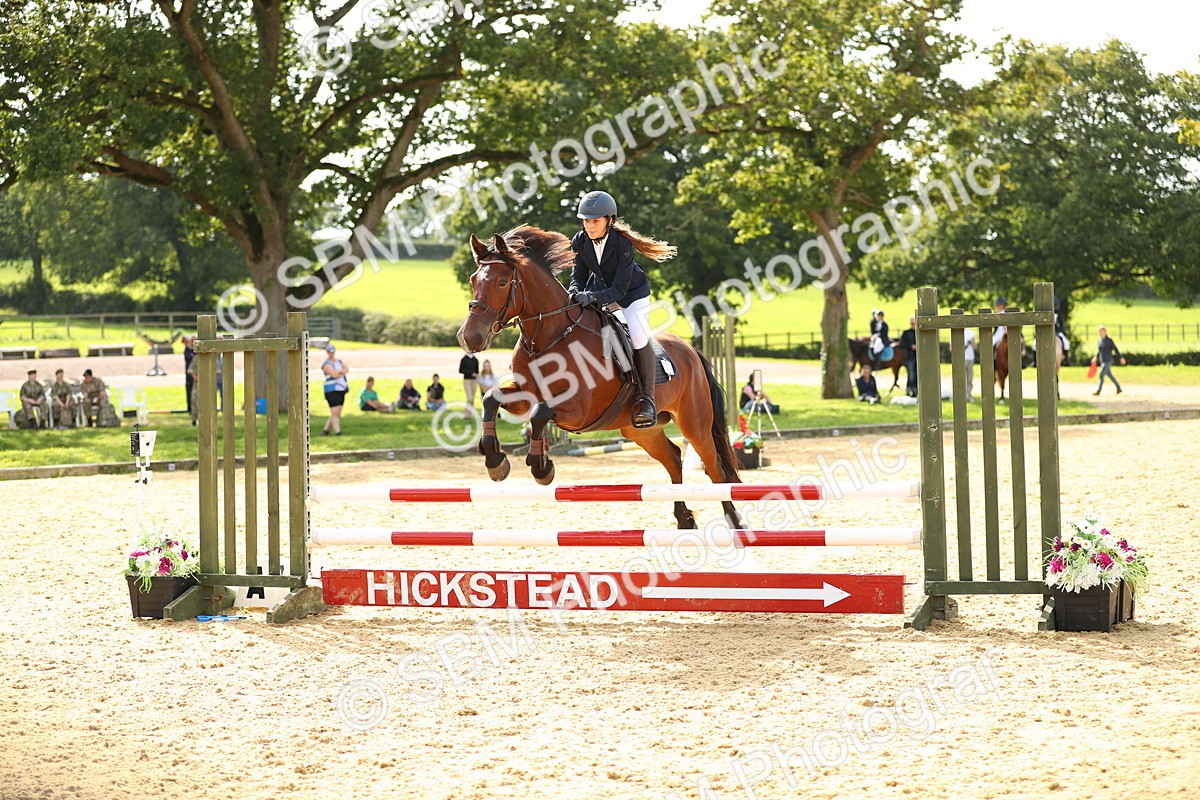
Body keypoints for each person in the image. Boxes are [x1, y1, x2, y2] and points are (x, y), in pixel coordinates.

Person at [568, 190, 676, 429]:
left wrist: (592, 297)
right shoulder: (580, 240)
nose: (590, 226)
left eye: (595, 221)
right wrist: (574, 293)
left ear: (609, 220)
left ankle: (647, 398)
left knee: (637, 335)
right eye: (586, 220)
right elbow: (578, 276)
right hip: (600, 293)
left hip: (631, 295)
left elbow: (619, 289)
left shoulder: (622, 244)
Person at [321, 343, 348, 435]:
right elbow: (334, 374)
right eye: (329, 351)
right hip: (331, 390)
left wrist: (339, 372)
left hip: (341, 389)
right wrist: (341, 372)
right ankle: (338, 432)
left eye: (332, 351)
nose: (331, 353)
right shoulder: (326, 364)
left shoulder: (339, 361)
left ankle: (325, 430)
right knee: (335, 412)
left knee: (336, 413)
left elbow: (346, 369)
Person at [1092, 325, 1126, 395]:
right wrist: (1095, 357)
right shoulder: (1100, 340)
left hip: (1108, 360)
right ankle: (1118, 388)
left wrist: (1121, 358)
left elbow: (1115, 349)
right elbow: (1099, 350)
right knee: (1110, 375)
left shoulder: (1109, 340)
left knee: (1101, 375)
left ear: (1105, 332)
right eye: (1099, 332)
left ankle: (1098, 391)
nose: (1100, 333)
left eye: (1102, 331)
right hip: (1103, 361)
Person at [899, 317, 918, 397]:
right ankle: (909, 389)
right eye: (912, 323)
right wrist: (911, 346)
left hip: (918, 357)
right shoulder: (906, 333)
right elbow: (901, 344)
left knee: (917, 374)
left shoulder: (919, 333)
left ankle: (916, 390)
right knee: (911, 374)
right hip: (909, 357)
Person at [183, 335, 196, 416]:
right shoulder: (187, 350)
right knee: (190, 390)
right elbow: (190, 358)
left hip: (197, 373)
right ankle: (190, 409)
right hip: (189, 375)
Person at [964, 329, 977, 402]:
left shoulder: (971, 332)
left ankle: (968, 394)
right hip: (962, 358)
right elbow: (951, 347)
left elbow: (975, 346)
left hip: (970, 358)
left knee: (970, 377)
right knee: (961, 377)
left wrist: (971, 342)